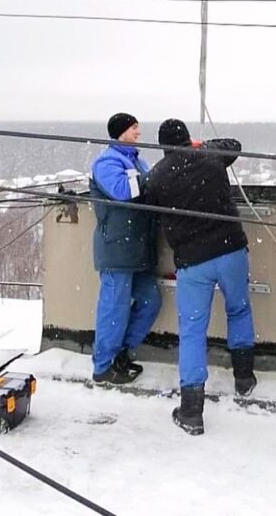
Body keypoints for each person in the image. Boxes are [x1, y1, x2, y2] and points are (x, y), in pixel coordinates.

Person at [144, 118, 256, 435]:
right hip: (231, 249)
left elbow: (149, 209)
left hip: (193, 261)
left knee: (192, 330)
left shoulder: (157, 176)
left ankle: (192, 411)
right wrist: (201, 147)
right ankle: (244, 378)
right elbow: (234, 144)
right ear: (188, 139)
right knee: (239, 308)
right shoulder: (209, 156)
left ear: (162, 145)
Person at [89, 112, 162, 386]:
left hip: (140, 248)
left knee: (150, 301)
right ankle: (103, 365)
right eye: (134, 128)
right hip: (117, 249)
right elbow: (122, 190)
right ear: (120, 132)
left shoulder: (138, 161)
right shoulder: (107, 162)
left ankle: (122, 353)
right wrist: (154, 177)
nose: (138, 133)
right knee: (114, 308)